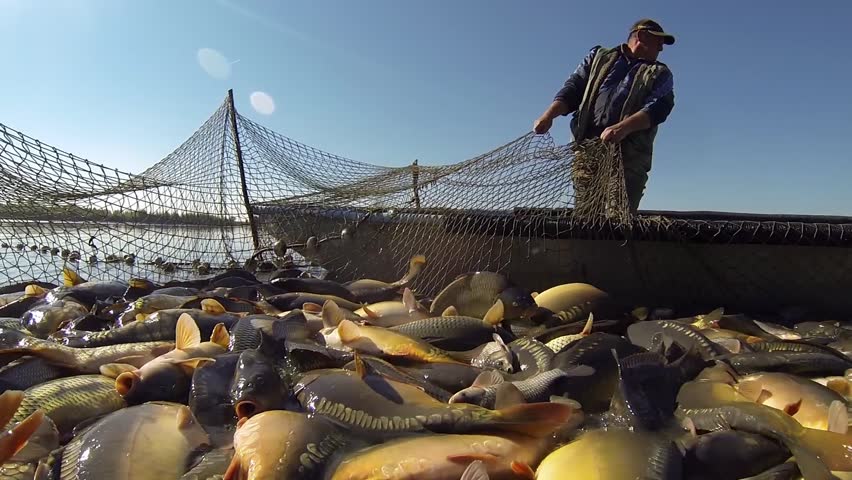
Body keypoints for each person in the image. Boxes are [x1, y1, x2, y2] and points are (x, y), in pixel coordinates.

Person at [534, 19, 676, 212]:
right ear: (641, 36)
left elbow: (659, 107)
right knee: (586, 213)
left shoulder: (661, 73)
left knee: (620, 217)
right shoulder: (598, 56)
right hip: (587, 150)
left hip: (630, 159)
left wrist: (623, 128)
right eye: (658, 41)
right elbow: (573, 88)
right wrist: (548, 116)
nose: (661, 47)